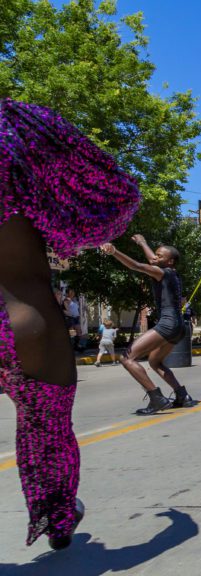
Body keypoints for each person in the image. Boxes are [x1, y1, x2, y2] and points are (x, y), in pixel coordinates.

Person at [0, 97, 139, 549]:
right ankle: (58, 517)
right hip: (22, 313)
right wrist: (64, 227)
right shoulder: (14, 123)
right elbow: (118, 191)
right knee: (45, 422)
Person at [101, 234, 197, 414]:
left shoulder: (162, 272)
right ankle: (182, 395)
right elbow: (152, 259)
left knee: (127, 358)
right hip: (179, 327)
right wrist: (142, 242)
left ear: (170, 262)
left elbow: (136, 266)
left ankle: (156, 398)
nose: (155, 258)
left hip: (167, 324)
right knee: (155, 361)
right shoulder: (172, 274)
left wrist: (114, 251)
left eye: (160, 256)